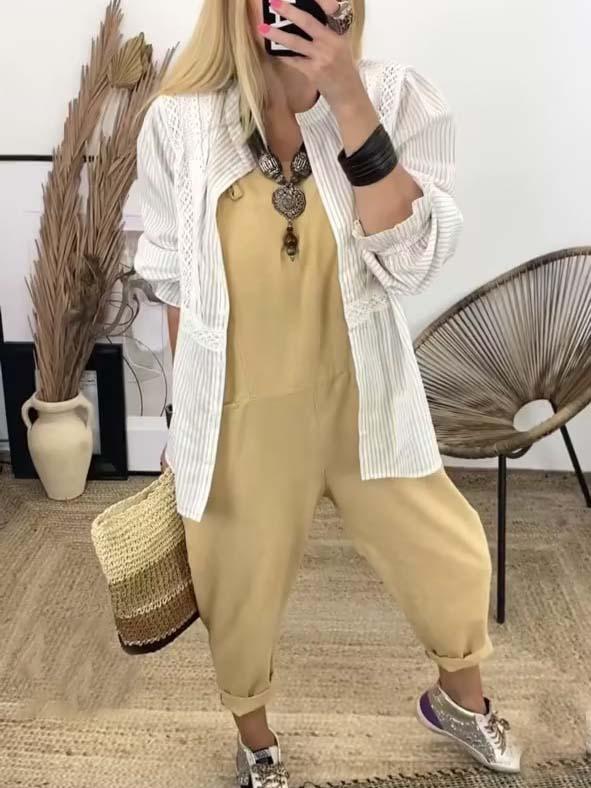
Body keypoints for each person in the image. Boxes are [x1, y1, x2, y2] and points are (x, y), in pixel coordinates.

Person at [135, 1, 521, 785]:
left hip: (361, 392)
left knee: (446, 555)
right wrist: (188, 421)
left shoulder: (396, 98)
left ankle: (462, 705)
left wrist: (346, 97)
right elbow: (176, 282)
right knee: (236, 585)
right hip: (241, 406)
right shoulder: (180, 121)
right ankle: (255, 742)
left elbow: (409, 265)